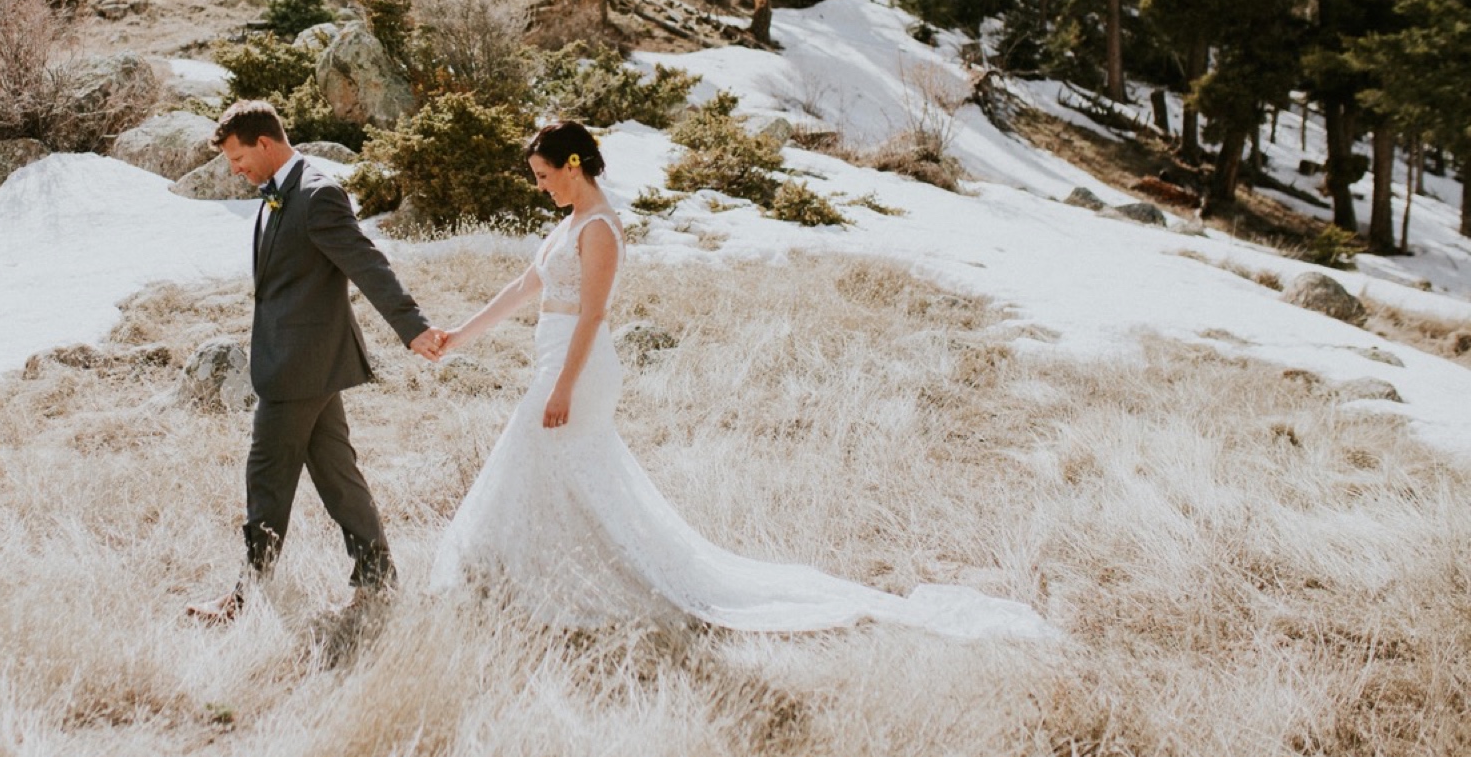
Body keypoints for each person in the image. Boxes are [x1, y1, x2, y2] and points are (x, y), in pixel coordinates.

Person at [428, 120, 1054, 639]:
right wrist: (458, 335)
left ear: (573, 165)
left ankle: (564, 579)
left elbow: (593, 313)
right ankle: (535, 578)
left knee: (535, 455)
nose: (541, 189)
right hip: (553, 360)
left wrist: (563, 386)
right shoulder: (565, 226)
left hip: (579, 367)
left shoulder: (600, 229)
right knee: (566, 475)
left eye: (543, 177)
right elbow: (521, 289)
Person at [188, 100, 446, 625]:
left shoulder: (316, 193)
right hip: (305, 362)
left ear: (264, 142)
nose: (235, 170)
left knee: (267, 479)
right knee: (337, 475)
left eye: (238, 158)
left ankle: (245, 598)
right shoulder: (278, 194)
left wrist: (412, 327)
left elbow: (365, 261)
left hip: (298, 367)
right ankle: (377, 580)